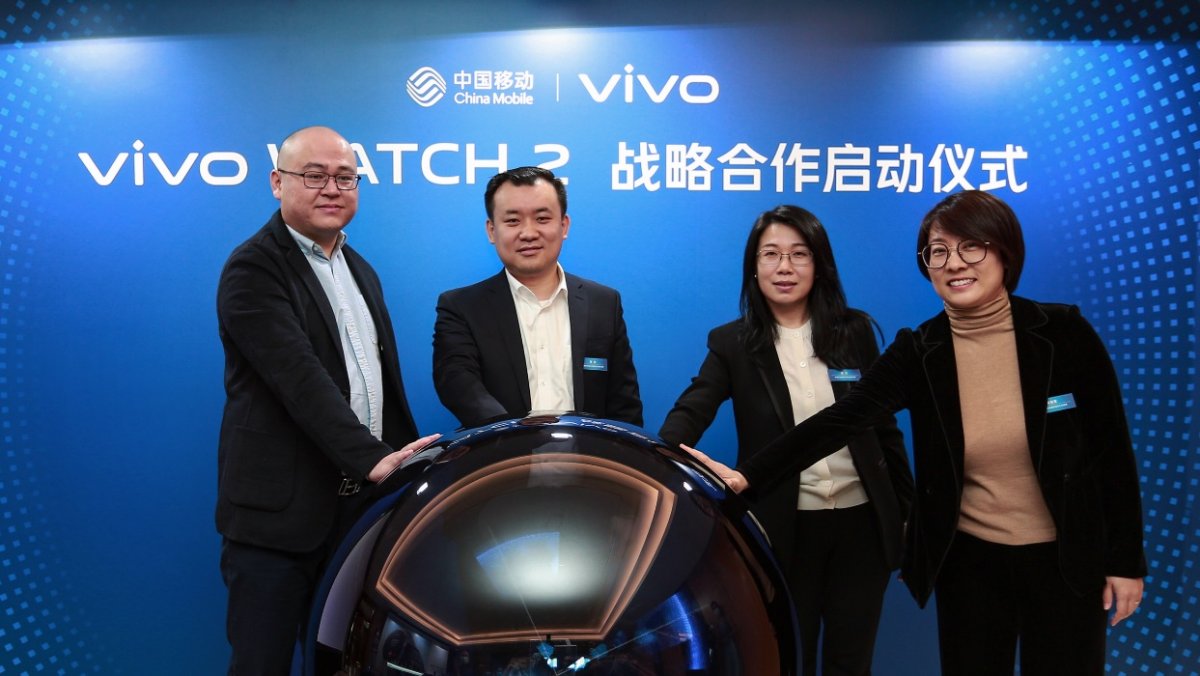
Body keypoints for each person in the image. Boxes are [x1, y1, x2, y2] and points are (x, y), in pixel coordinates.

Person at [684, 190, 1146, 675]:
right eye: (937, 251)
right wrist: (749, 476)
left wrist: (1126, 562)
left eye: (971, 246)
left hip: (1066, 560)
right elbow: (838, 421)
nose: (954, 263)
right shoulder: (921, 349)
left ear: (1005, 252)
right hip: (970, 563)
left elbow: (1112, 452)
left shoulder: (1062, 332)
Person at [216, 125, 438, 675]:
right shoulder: (254, 268)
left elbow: (379, 384)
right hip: (279, 524)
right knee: (262, 665)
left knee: (349, 664)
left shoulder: (360, 270)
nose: (332, 189)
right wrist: (371, 458)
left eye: (345, 177)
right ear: (277, 182)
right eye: (314, 176)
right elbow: (298, 377)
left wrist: (405, 471)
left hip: (358, 514)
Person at [659, 205, 913, 676]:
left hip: (862, 527)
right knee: (788, 658)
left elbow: (884, 429)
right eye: (771, 254)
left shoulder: (854, 332)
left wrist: (905, 516)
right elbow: (693, 409)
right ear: (753, 267)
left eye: (799, 254)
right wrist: (663, 457)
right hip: (783, 529)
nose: (785, 267)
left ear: (819, 264)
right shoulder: (733, 343)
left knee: (851, 662)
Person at [432, 166, 642, 428]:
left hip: (589, 452)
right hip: (500, 451)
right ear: (491, 230)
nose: (529, 233)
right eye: (513, 221)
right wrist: (515, 437)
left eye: (542, 218)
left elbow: (624, 406)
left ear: (564, 225)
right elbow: (460, 386)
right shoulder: (461, 307)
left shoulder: (603, 302)